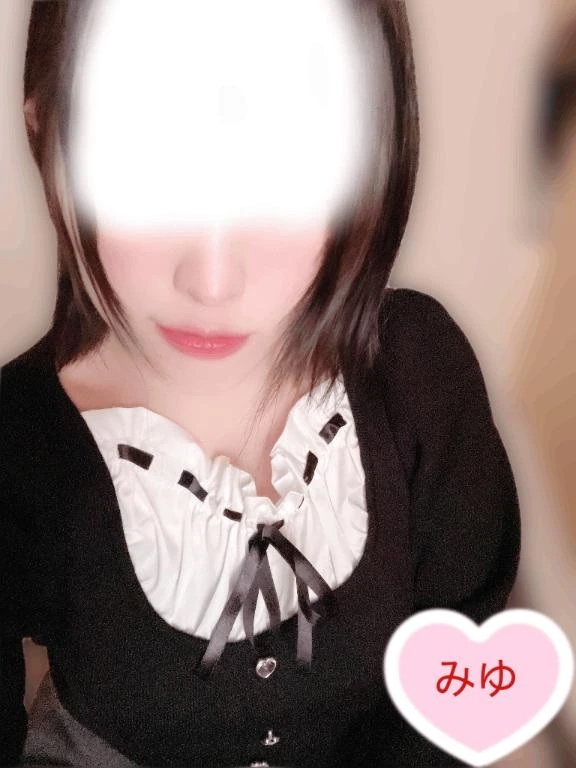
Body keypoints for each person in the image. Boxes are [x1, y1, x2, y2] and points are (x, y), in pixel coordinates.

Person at [0, 1, 521, 766]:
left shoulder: (420, 374)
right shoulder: (16, 449)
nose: (212, 281)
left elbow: (461, 650)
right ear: (44, 132)